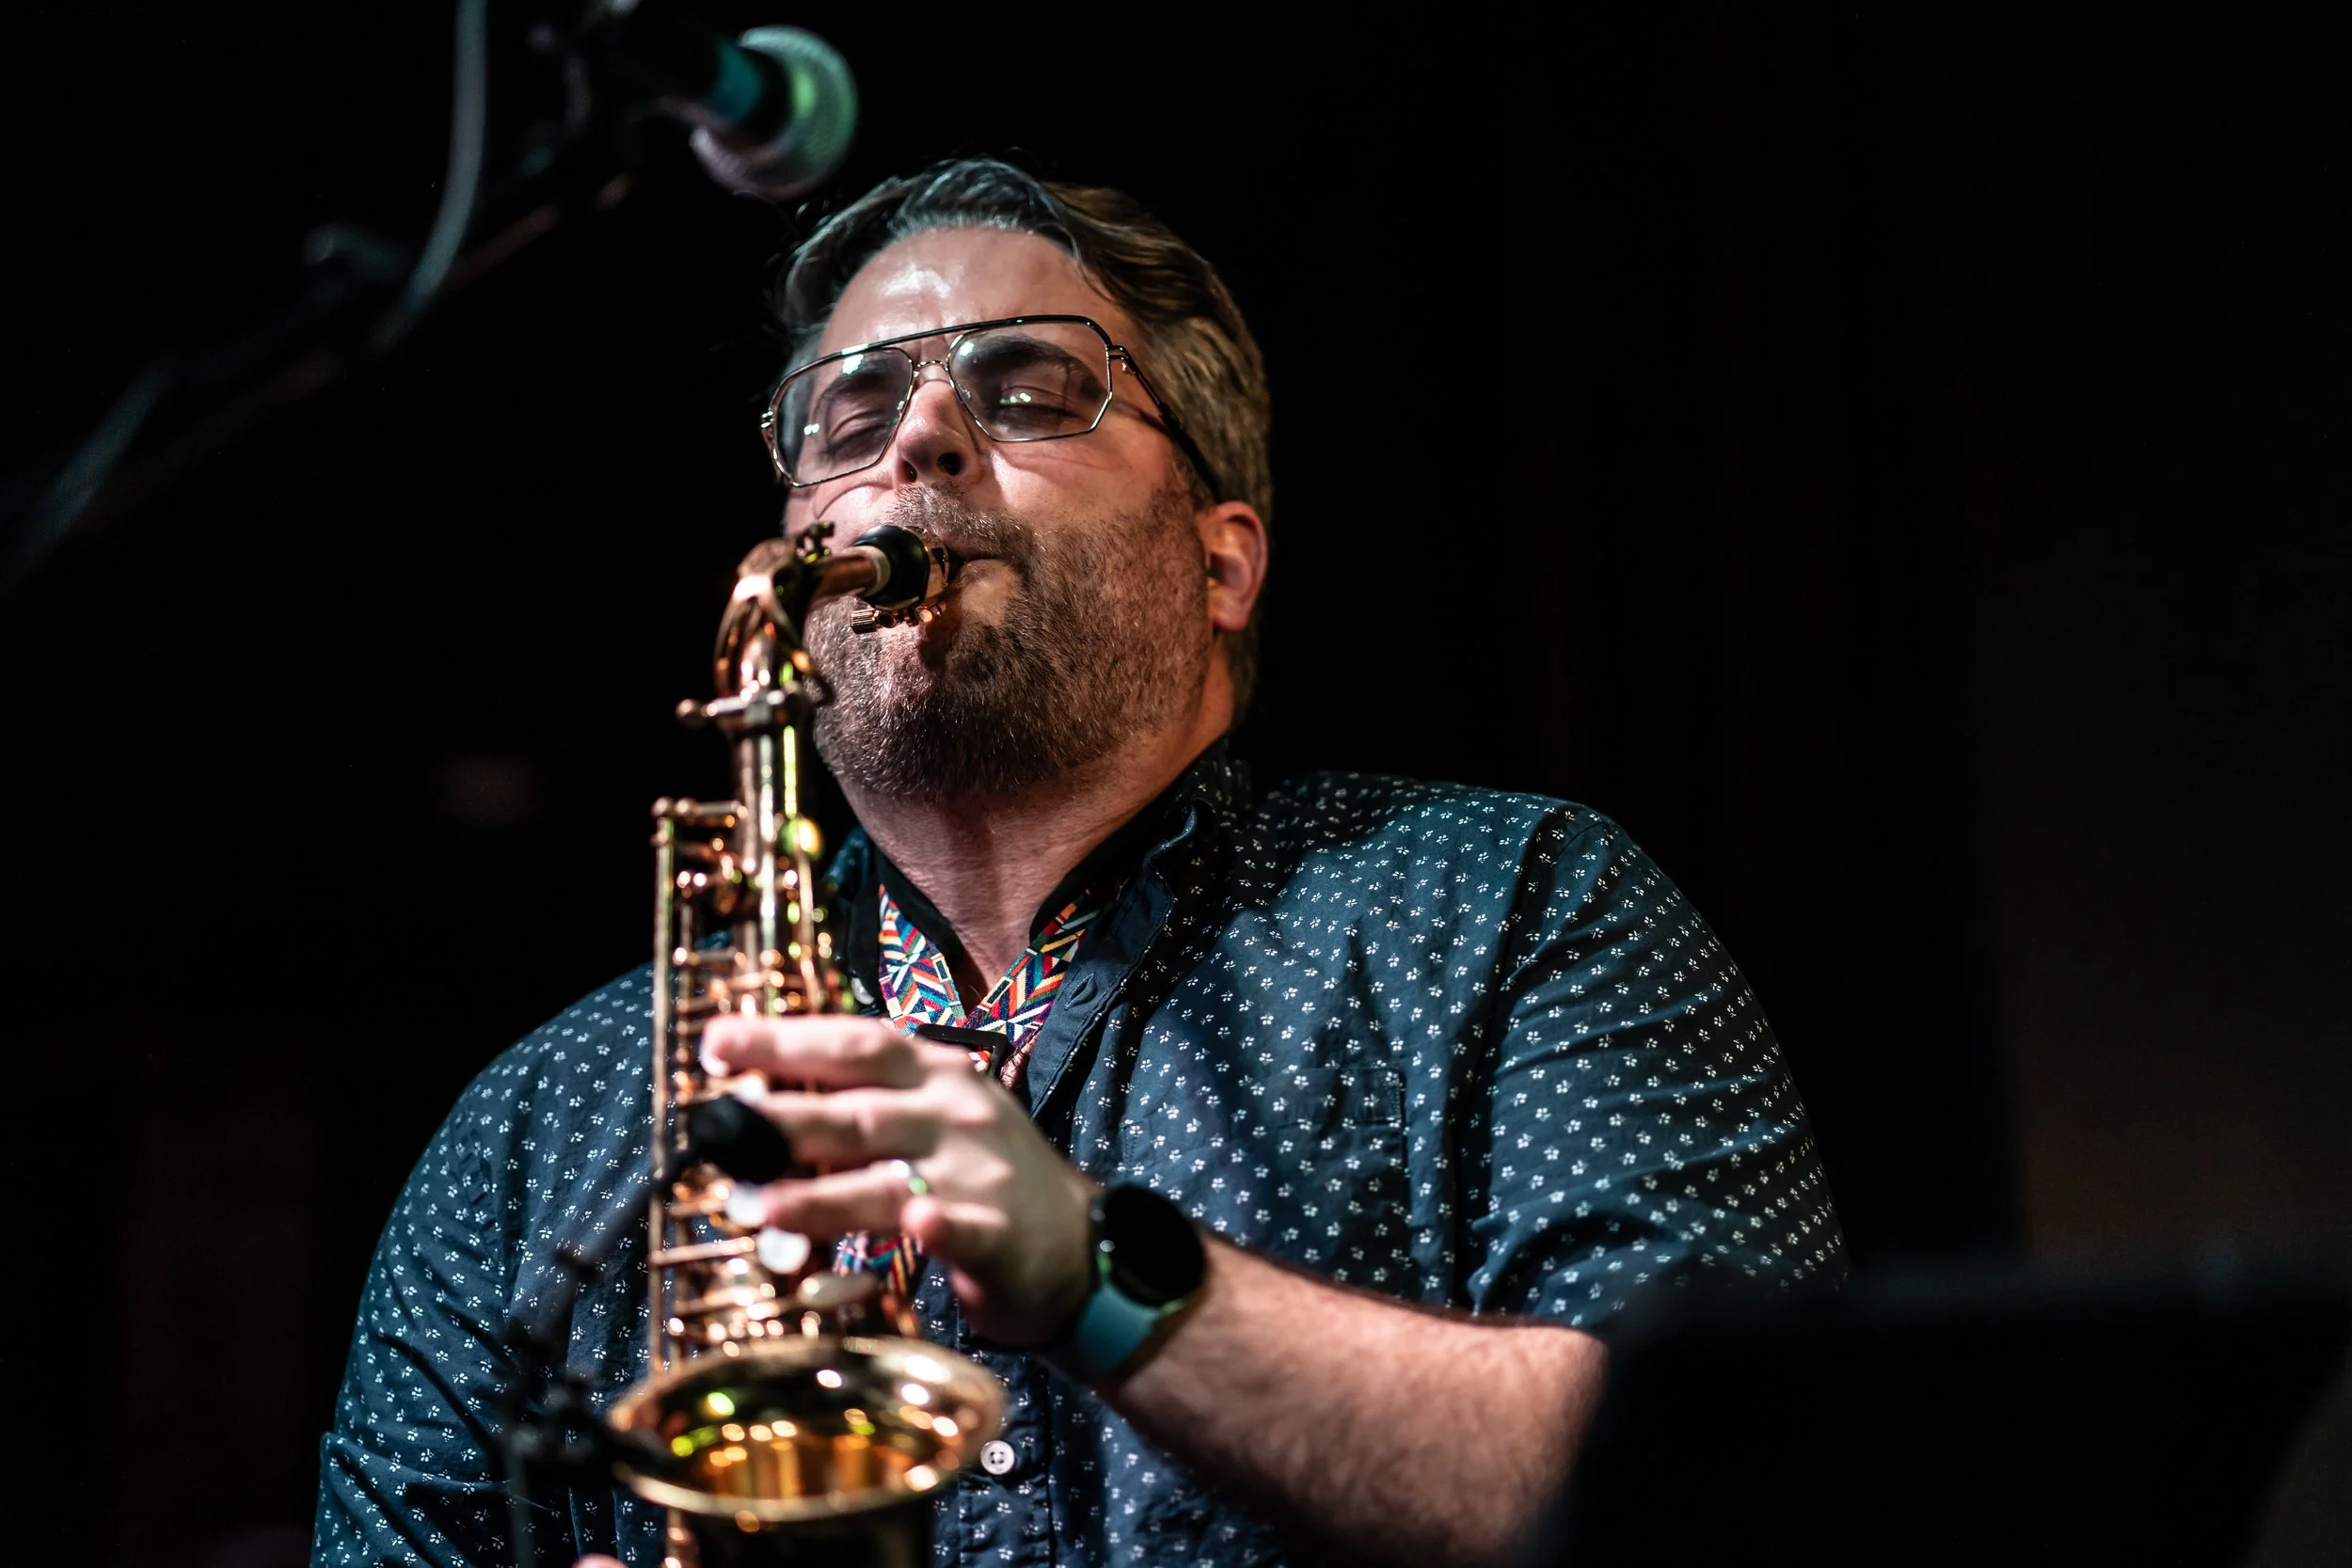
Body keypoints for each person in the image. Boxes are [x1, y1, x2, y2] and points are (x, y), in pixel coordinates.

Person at [312, 158, 1845, 1568]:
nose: (914, 439)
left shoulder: (1507, 908)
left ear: (1221, 556)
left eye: (1025, 388)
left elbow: (1760, 1475)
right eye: (847, 422)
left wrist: (1106, 1281)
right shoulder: (535, 1128)